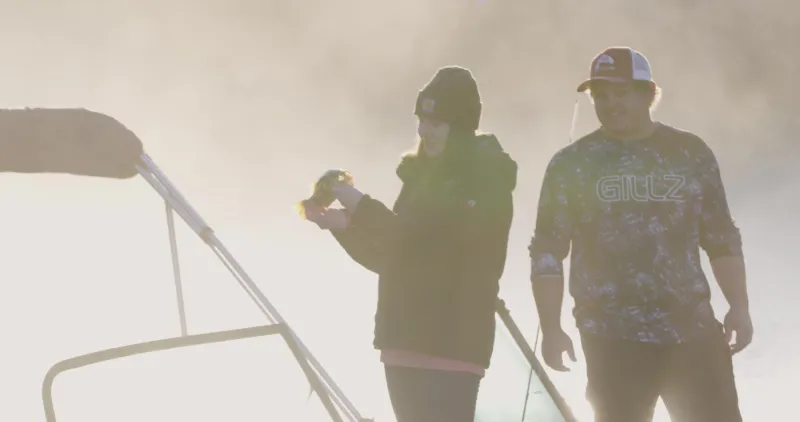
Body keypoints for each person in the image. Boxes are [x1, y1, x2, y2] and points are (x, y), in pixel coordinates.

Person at [529, 46, 753, 422]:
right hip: (612, 339)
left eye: (621, 93)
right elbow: (547, 252)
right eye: (601, 96)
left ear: (648, 94)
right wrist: (551, 328)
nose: (610, 103)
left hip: (692, 332)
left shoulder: (688, 152)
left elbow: (720, 237)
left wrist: (740, 307)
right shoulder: (572, 164)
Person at [303, 66, 517, 422]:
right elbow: (393, 258)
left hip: (454, 344)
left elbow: (418, 243)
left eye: (436, 122)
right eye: (421, 119)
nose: (423, 130)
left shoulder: (485, 180)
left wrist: (358, 203)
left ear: (462, 126)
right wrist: (343, 227)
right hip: (402, 341)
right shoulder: (419, 178)